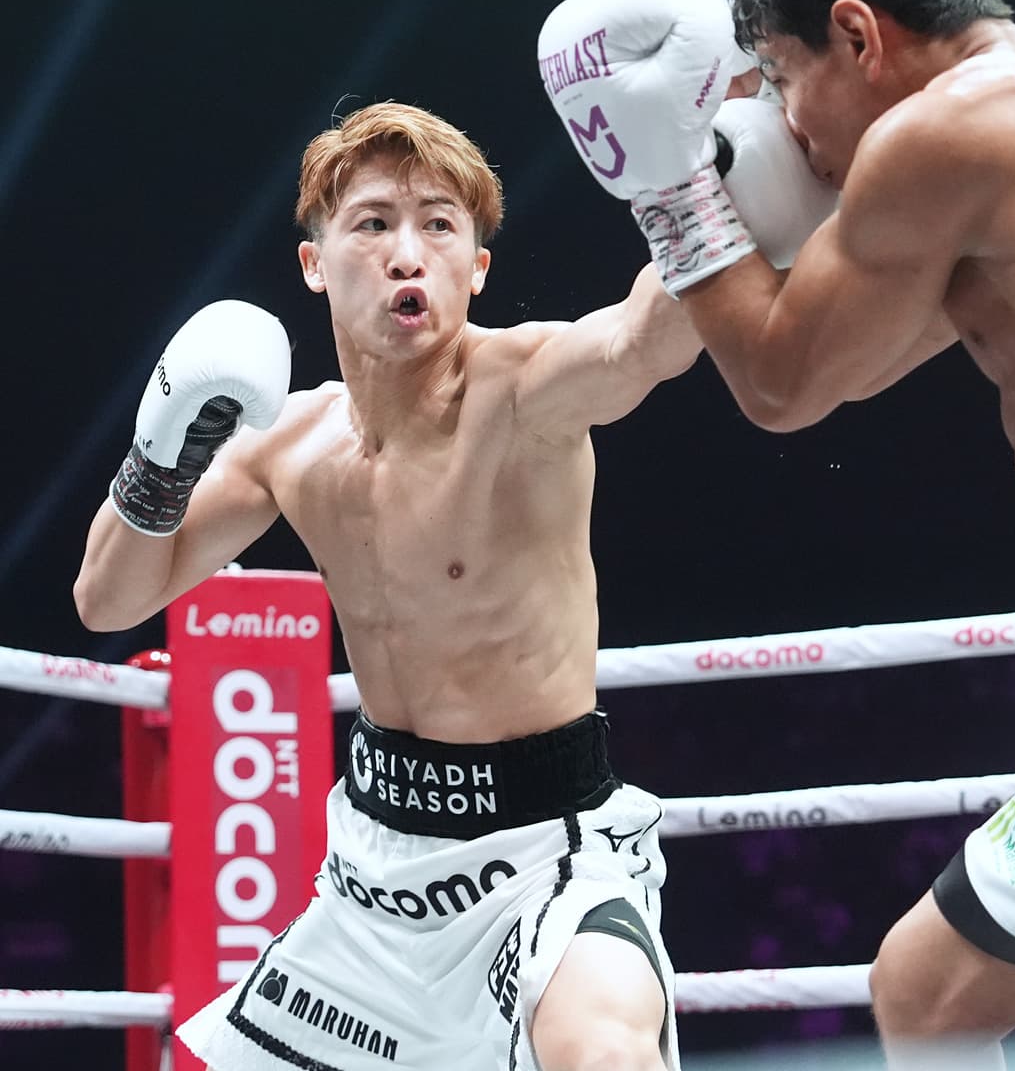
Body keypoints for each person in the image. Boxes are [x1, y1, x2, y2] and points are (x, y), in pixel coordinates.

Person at [536, 0, 1015, 1071]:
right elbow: (849, 361)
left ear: (859, 34)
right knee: (929, 990)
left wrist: (672, 186)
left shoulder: (940, 136)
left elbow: (782, 383)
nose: (788, 122)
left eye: (784, 77)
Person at [73, 101, 701, 1071]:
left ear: (476, 267)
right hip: (373, 871)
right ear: (315, 262)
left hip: (546, 855)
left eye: (439, 225)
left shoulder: (523, 390)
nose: (408, 252)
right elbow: (107, 599)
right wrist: (164, 450)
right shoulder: (293, 444)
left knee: (604, 1048)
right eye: (373, 222)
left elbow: (642, 343)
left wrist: (697, 175)